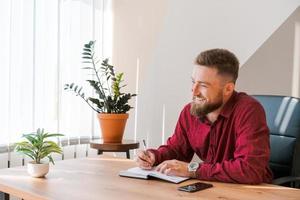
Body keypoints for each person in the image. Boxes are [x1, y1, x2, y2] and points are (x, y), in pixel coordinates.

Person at [136, 49, 273, 184]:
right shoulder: (190, 112)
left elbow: (250, 170)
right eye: (193, 82)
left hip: (250, 193)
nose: (194, 91)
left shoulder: (249, 111)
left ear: (228, 89)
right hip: (212, 189)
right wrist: (154, 156)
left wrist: (192, 170)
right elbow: (177, 150)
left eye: (203, 85)